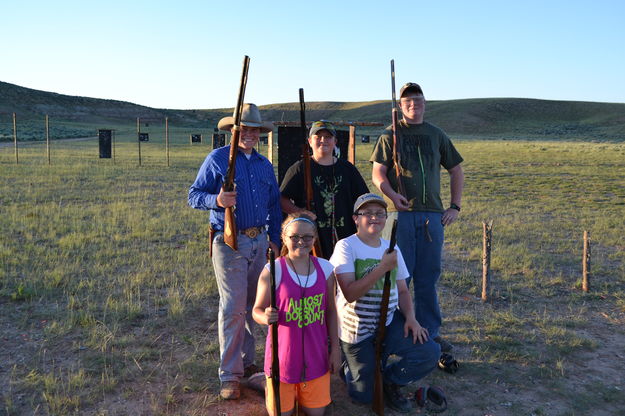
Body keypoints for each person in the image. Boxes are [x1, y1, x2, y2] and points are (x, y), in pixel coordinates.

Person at [188, 103, 281, 400]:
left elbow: (274, 207)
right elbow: (194, 196)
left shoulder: (265, 165)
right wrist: (217, 200)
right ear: (233, 131)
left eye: (255, 130)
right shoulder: (217, 159)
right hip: (230, 243)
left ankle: (250, 363)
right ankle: (229, 375)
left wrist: (275, 239)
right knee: (232, 308)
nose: (250, 134)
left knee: (258, 304)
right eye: (245, 129)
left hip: (260, 241)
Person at [370, 82, 464, 353]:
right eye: (408, 100)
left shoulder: (437, 135)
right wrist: (391, 194)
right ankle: (395, 332)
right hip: (401, 216)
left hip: (433, 216)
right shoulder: (390, 135)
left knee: (427, 276)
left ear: (425, 103)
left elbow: (456, 170)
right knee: (398, 276)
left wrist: (454, 207)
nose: (414, 104)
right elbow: (379, 173)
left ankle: (429, 333)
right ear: (400, 105)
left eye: (418, 100)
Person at [329, 193, 440, 413]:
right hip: (356, 331)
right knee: (363, 396)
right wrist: (382, 267)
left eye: (380, 213)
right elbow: (350, 293)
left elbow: (402, 290)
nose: (374, 218)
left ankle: (391, 381)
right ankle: (349, 367)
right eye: (367, 213)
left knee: (429, 352)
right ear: (355, 219)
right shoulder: (346, 247)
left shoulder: (392, 247)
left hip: (388, 323)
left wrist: (410, 318)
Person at [253, 213, 341, 416]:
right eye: (294, 237)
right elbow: (256, 310)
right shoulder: (273, 270)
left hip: (316, 358)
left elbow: (330, 312)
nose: (301, 242)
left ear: (315, 239)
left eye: (307, 237)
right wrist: (264, 316)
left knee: (315, 413)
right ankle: (267, 383)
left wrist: (335, 349)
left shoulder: (326, 269)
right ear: (284, 237)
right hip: (282, 361)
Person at [280, 120, 369, 259]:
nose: (323, 140)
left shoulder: (348, 169)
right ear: (309, 141)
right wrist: (301, 213)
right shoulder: (299, 168)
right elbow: (281, 199)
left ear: (335, 141)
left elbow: (364, 200)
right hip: (311, 240)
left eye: (328, 137)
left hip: (345, 238)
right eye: (318, 137)